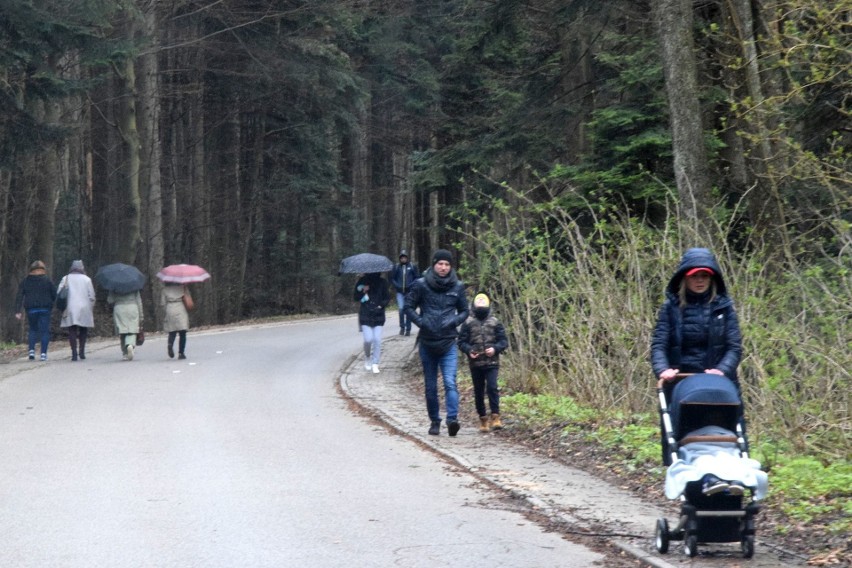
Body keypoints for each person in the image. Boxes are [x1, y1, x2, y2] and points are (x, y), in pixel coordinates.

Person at [650, 247, 743, 464]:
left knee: (725, 435)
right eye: (694, 276)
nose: (700, 281)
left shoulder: (724, 309)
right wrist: (663, 369)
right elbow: (659, 345)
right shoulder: (670, 308)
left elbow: (734, 347)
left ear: (712, 278)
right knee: (680, 435)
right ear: (685, 278)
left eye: (704, 276)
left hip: (718, 383)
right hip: (680, 383)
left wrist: (722, 370)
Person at [405, 249, 469, 437]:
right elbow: (408, 306)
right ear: (434, 265)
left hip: (448, 342)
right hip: (427, 342)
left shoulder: (457, 287)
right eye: (440, 264)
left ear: (451, 267)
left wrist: (454, 321)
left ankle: (452, 420)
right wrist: (421, 322)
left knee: (450, 382)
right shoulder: (421, 285)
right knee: (430, 386)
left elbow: (465, 311)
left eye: (447, 264)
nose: (443, 267)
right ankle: (434, 421)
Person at [664, 423, 768, 500]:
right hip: (699, 450)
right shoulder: (690, 434)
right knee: (705, 461)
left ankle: (734, 482)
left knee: (729, 460)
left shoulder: (728, 433)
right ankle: (712, 481)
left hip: (725, 446)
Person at [458, 292, 509, 432]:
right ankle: (483, 419)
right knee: (479, 391)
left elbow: (504, 341)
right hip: (476, 364)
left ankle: (496, 416)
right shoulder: (468, 323)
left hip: (492, 362)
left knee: (492, 388)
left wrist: (495, 349)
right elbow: (461, 342)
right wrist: (469, 351)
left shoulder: (495, 322)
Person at [14, 260, 56, 361]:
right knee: (44, 331)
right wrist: (52, 303)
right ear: (43, 269)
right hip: (45, 308)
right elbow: (54, 294)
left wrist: (17, 310)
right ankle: (43, 354)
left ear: (31, 270)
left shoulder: (26, 281)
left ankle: (31, 351)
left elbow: (19, 296)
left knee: (33, 329)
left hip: (31, 309)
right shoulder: (47, 280)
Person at [57, 260, 96, 361]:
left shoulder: (66, 278)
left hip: (70, 306)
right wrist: (91, 306)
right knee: (83, 329)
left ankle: (74, 353)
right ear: (82, 268)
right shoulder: (87, 279)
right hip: (84, 307)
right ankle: (81, 351)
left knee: (72, 330)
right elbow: (91, 295)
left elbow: (59, 293)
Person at [353, 272, 390, 373]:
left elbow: (387, 298)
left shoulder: (383, 282)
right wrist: (363, 291)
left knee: (377, 339)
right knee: (368, 339)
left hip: (378, 315)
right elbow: (355, 297)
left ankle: (375, 363)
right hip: (365, 314)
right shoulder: (362, 281)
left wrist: (381, 306)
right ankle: (367, 357)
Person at [107, 289, 143, 361]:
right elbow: (139, 301)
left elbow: (110, 300)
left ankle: (125, 353)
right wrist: (141, 316)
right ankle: (130, 345)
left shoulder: (114, 286)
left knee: (122, 330)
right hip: (132, 308)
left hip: (119, 308)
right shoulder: (134, 286)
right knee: (132, 330)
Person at [390, 250, 420, 336]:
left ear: (407, 258)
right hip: (400, 292)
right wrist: (397, 285)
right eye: (402, 257)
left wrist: (411, 285)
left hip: (409, 292)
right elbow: (392, 278)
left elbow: (417, 277)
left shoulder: (412, 266)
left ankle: (408, 329)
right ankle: (402, 327)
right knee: (401, 310)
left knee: (408, 311)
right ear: (400, 258)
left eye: (404, 257)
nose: (403, 259)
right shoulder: (396, 267)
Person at [161, 283, 192, 359]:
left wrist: (166, 310)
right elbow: (188, 298)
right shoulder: (182, 288)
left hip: (170, 308)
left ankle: (170, 344)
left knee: (172, 331)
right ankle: (181, 353)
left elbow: (162, 303)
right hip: (180, 308)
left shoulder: (165, 290)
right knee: (182, 332)